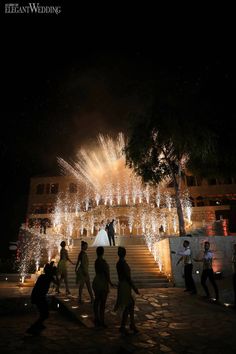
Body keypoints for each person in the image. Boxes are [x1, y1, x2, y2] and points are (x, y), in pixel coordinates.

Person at [26, 263, 58, 335]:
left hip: (37, 296)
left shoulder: (42, 276)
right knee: (45, 314)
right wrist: (55, 275)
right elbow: (57, 283)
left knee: (44, 313)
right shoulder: (49, 277)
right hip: (39, 297)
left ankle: (38, 325)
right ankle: (33, 328)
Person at [115, 246, 140, 335]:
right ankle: (126, 325)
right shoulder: (122, 264)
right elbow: (127, 277)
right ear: (124, 254)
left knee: (130, 304)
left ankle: (130, 324)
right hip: (125, 285)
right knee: (129, 304)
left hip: (123, 284)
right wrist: (134, 287)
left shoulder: (119, 263)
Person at [92, 246, 114, 327]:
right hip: (102, 282)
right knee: (102, 303)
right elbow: (106, 273)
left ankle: (96, 318)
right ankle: (102, 320)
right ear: (103, 252)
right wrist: (110, 282)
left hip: (96, 281)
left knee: (97, 300)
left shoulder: (96, 261)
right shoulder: (103, 262)